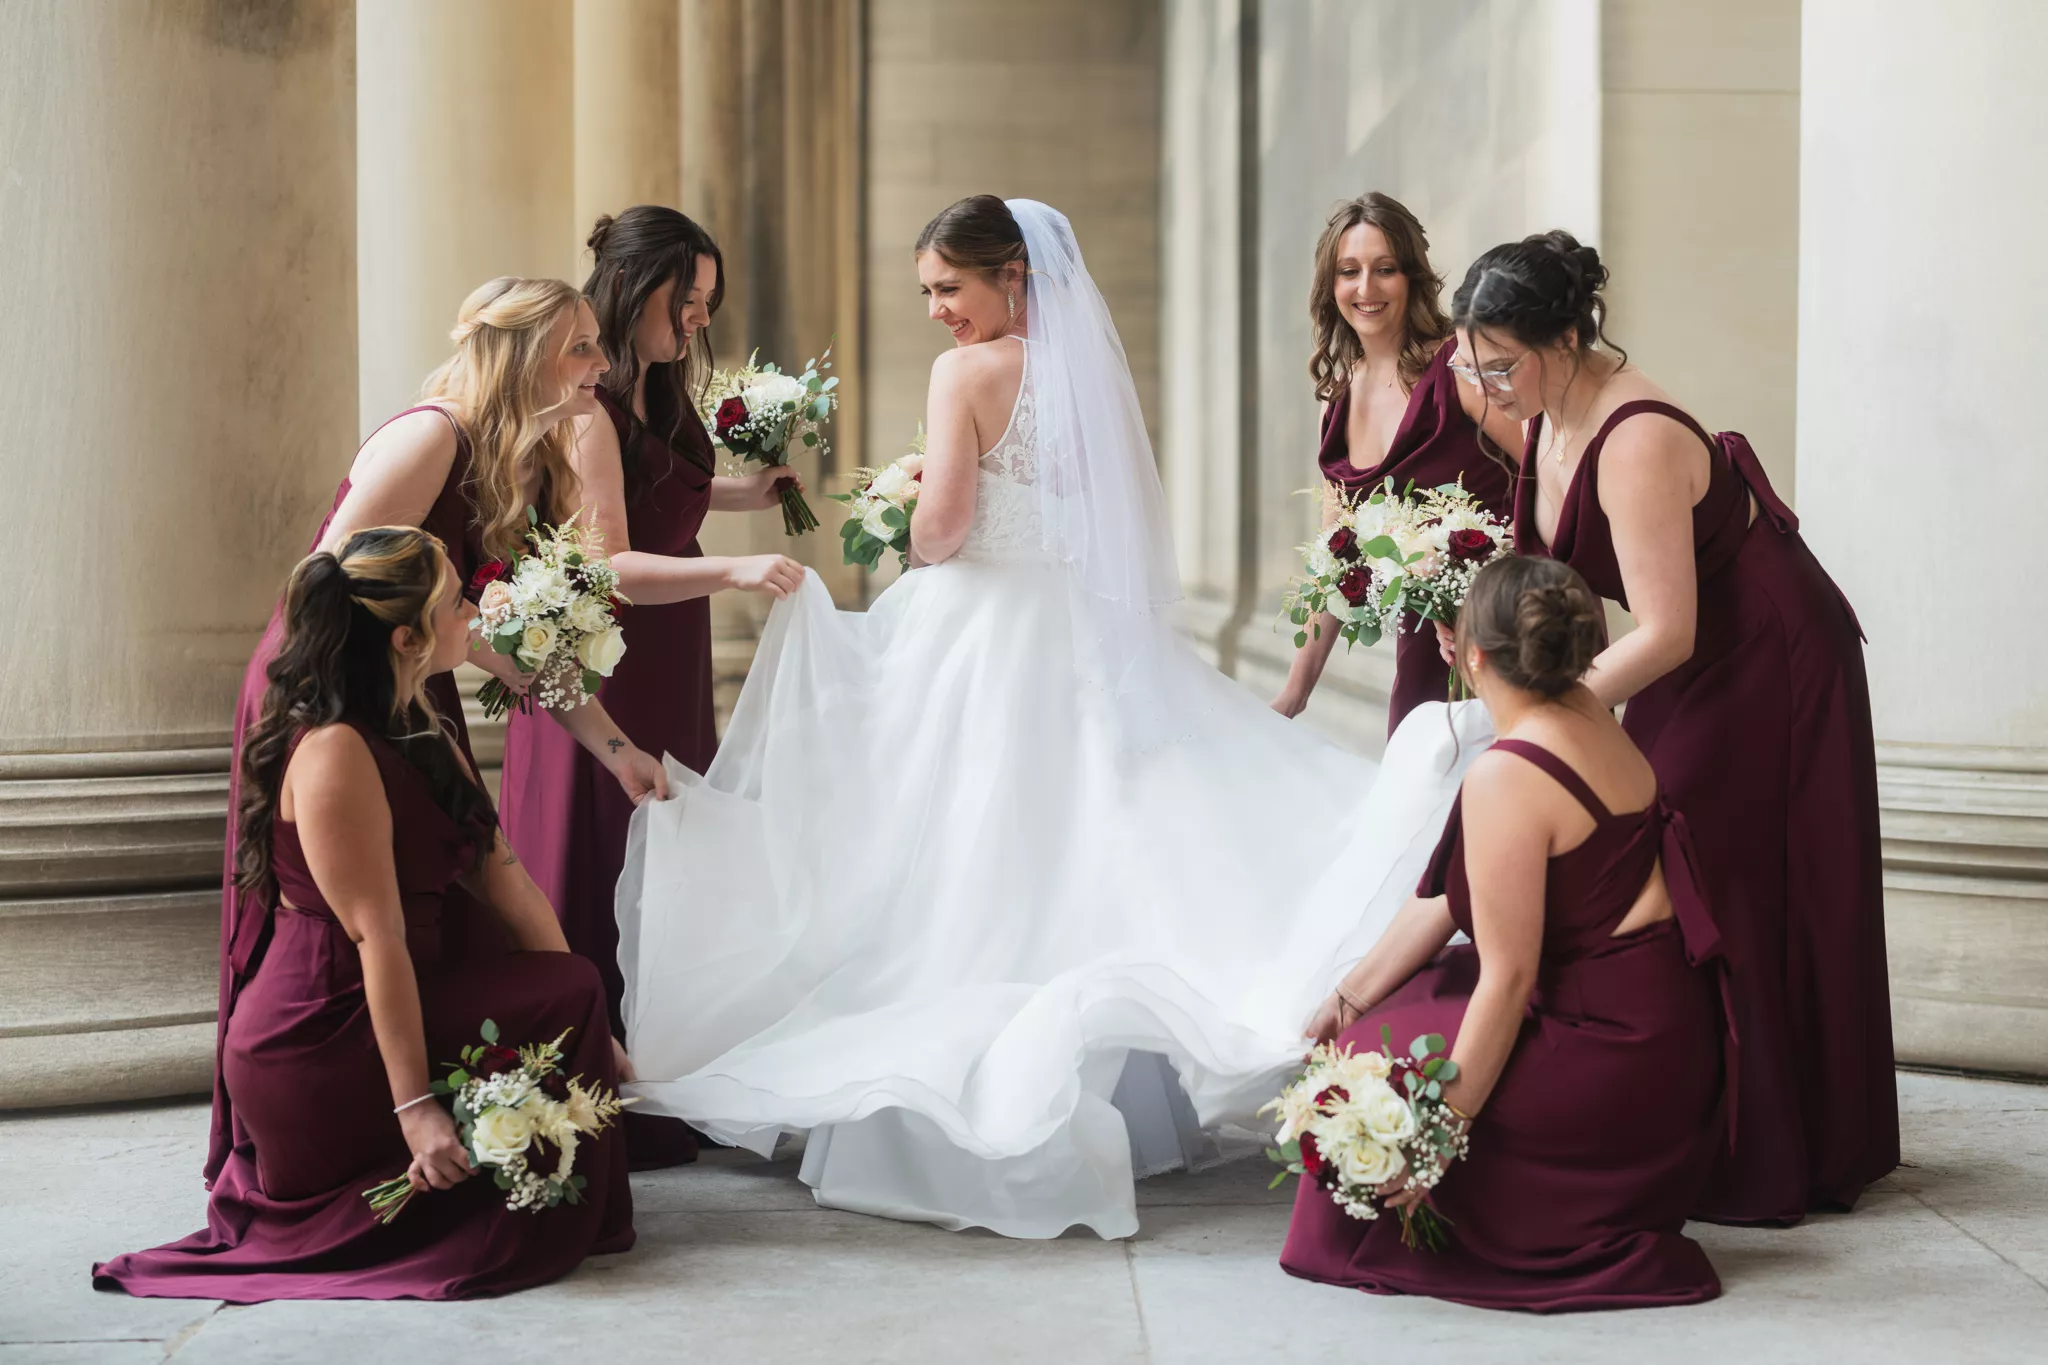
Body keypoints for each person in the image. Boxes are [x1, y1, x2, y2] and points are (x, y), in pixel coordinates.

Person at [612, 195, 1488, 1240]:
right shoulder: (1080, 378)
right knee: (1076, 862)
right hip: (1072, 639)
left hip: (981, 637)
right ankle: (1111, 1104)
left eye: (948, 288)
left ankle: (971, 1105)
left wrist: (906, 503)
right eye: (929, 292)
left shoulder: (962, 377)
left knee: (965, 866)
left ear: (1011, 279)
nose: (937, 312)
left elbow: (942, 535)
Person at [1448, 231, 1894, 1223]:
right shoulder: (1541, 409)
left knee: (1723, 865)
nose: (1484, 382)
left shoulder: (1636, 435)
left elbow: (1666, 628)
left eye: (1498, 362)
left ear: (1564, 338)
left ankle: (1778, 1144)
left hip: (1760, 657)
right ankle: (1700, 1115)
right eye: (1472, 362)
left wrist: (1545, 719)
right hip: (1684, 651)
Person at [211, 278, 670, 1183]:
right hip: (335, 697)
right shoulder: (435, 435)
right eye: (580, 347)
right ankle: (363, 1125)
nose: (602, 365)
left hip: (413, 682)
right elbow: (329, 581)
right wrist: (361, 729)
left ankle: (452, 1131)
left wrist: (614, 748)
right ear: (522, 356)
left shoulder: (511, 455)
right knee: (359, 917)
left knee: (452, 906)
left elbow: (510, 639)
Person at [96, 528, 632, 1301]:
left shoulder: (420, 726)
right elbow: (375, 936)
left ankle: (502, 1187)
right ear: (407, 637)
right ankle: (421, 1163)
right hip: (322, 1030)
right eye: (457, 604)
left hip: (393, 992)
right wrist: (415, 1109)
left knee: (571, 985)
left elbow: (509, 886)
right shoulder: (334, 752)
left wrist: (596, 1035)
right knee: (562, 994)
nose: (473, 614)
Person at [1280, 554, 1731, 1311]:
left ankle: (1499, 1200)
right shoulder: (1593, 715)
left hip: (1611, 1067)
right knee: (1409, 996)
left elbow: (1510, 977)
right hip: (1672, 1043)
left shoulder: (1507, 773)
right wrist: (1351, 992)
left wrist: (1437, 1142)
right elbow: (1454, 896)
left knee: (1374, 1060)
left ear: (1470, 652)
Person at [498, 208, 802, 1168]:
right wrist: (736, 568)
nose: (700, 322)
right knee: (601, 845)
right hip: (610, 658)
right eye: (691, 301)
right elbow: (613, 562)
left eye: (710, 303)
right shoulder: (585, 408)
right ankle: (591, 1095)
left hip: (669, 653)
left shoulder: (651, 393)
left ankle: (662, 1068)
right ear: (640, 290)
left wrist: (753, 492)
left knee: (666, 848)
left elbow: (660, 496)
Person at [1273, 193, 1517, 731]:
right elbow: (1334, 567)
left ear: (1411, 277)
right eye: (1349, 271)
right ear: (1329, 286)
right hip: (1427, 650)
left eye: (1385, 269)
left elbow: (1553, 476)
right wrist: (1293, 695)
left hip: (1515, 631)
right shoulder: (1335, 404)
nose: (1366, 288)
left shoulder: (1460, 369)